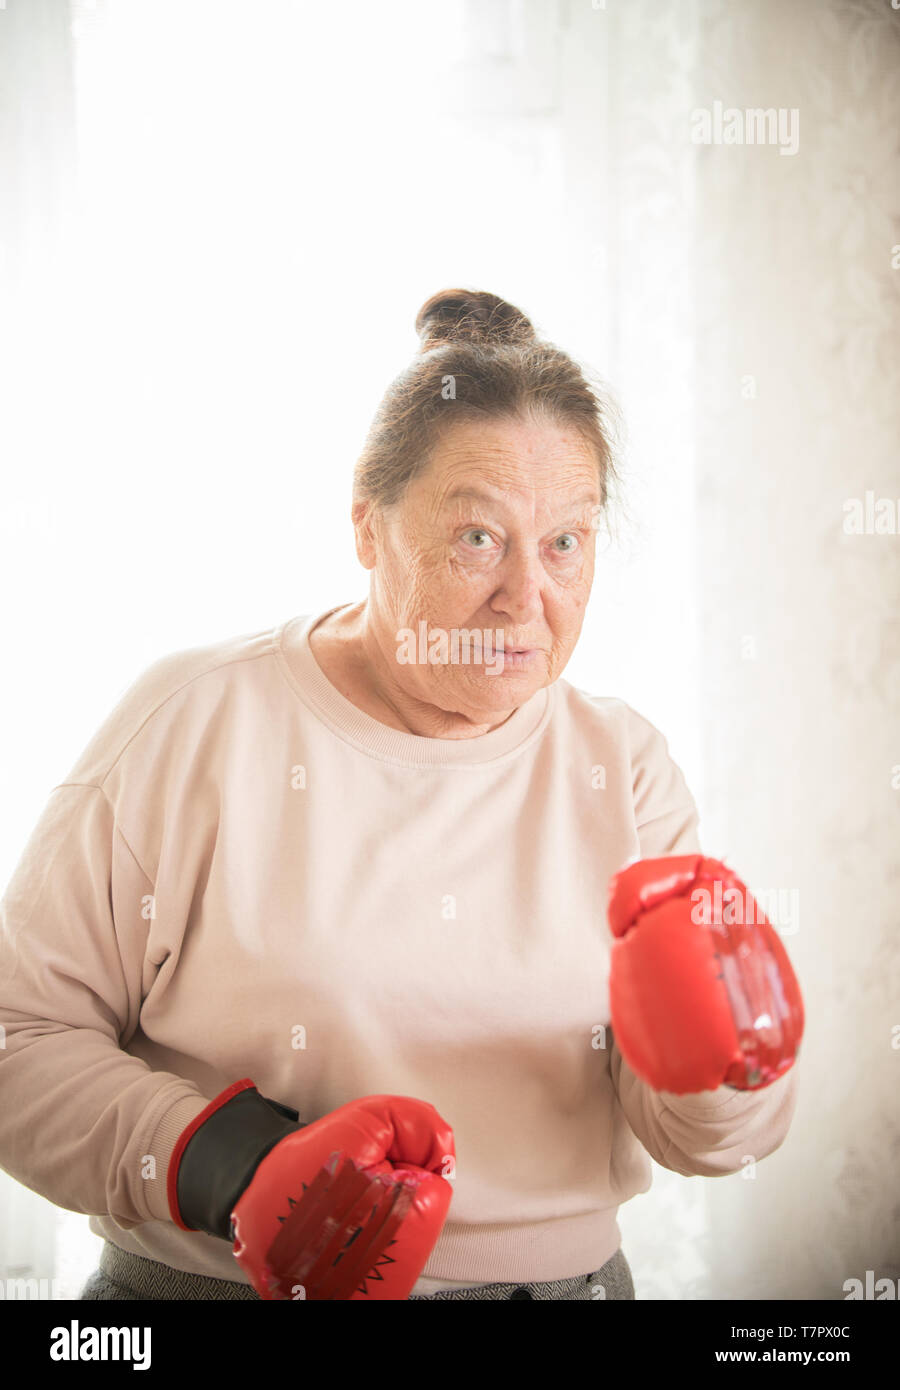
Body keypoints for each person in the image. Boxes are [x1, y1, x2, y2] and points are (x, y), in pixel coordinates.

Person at [0, 289, 799, 1301]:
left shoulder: (624, 765)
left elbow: (703, 1142)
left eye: (566, 542)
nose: (526, 598)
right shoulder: (193, 722)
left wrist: (727, 1070)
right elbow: (17, 1035)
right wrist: (222, 1162)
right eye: (477, 537)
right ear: (368, 527)